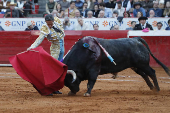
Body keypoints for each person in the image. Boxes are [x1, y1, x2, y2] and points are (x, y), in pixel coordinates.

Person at [27, 14, 65, 95]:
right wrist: (32, 47)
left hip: (62, 45)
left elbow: (62, 31)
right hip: (55, 47)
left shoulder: (57, 20)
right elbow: (40, 38)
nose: (50, 25)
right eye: (48, 24)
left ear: (53, 21)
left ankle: (54, 88)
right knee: (52, 68)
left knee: (59, 69)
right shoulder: (45, 27)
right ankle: (48, 88)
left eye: (51, 24)